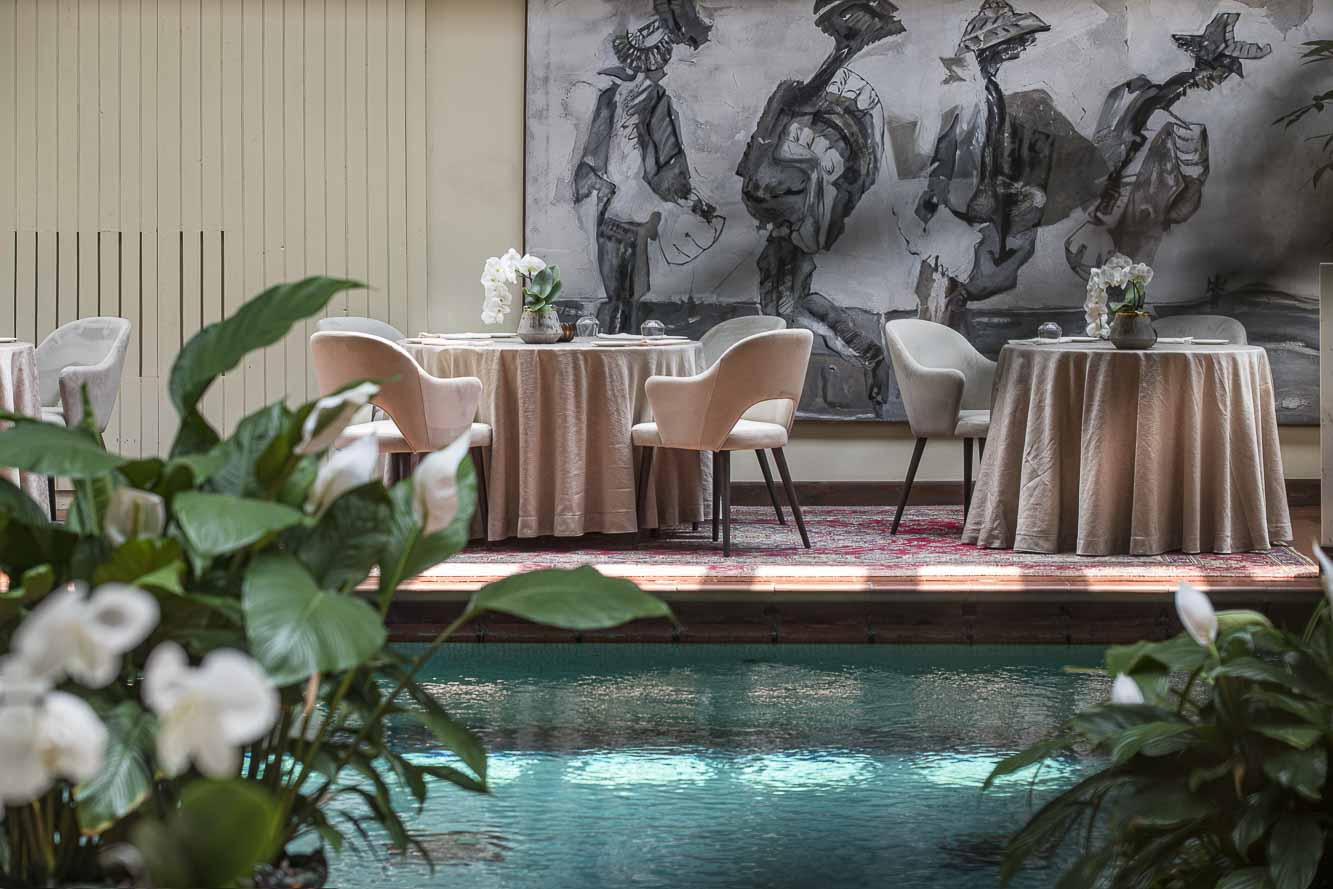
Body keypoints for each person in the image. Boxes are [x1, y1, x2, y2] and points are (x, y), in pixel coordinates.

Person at [736, 0, 906, 406]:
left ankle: (862, 356)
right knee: (787, 302)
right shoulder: (793, 96)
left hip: (796, 216)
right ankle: (860, 356)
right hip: (785, 216)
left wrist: (841, 53)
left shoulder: (804, 98)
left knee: (786, 306)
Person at [1064, 12, 1272, 279]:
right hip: (1151, 171)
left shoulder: (1166, 90)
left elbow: (1122, 128)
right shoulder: (1186, 97)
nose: (1221, 78)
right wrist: (1190, 186)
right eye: (1221, 71)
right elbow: (1187, 158)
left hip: (1143, 163)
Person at [573, 0, 724, 335]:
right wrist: (689, 198)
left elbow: (662, 161)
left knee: (623, 293)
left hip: (624, 208)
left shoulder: (627, 99)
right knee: (624, 293)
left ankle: (618, 343)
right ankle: (619, 344)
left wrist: (685, 195)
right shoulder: (643, 100)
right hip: (624, 207)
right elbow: (666, 163)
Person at [905, 0, 1052, 328]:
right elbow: (936, 148)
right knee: (939, 287)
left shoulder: (989, 90)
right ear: (992, 45)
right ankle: (930, 343)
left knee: (967, 284)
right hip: (944, 205)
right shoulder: (954, 87)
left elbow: (987, 151)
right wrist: (933, 203)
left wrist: (1005, 187)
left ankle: (950, 341)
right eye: (1012, 44)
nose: (1017, 51)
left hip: (975, 203)